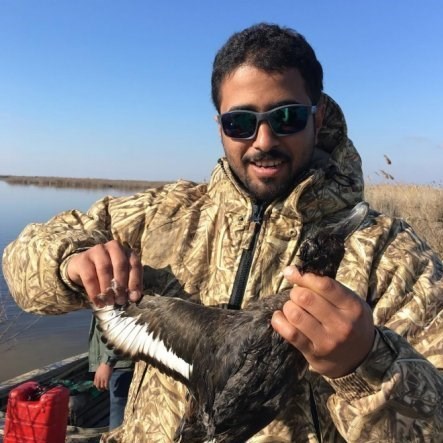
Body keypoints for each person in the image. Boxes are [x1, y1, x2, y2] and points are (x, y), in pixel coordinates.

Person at [2, 23, 442, 442]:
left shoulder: (393, 257)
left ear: (318, 114)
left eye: (287, 117)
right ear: (220, 127)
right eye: (240, 122)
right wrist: (70, 262)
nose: (263, 140)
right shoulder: (163, 215)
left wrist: (365, 365)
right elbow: (22, 261)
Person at [88, 316, 134, 430]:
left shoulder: (119, 302)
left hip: (121, 363)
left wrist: (107, 362)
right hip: (117, 362)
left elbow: (123, 327)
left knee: (119, 409)